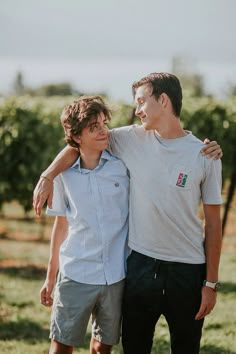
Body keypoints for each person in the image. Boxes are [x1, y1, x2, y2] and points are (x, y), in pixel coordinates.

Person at [34, 73, 223, 354]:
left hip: (187, 270)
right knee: (134, 347)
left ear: (163, 100)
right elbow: (79, 143)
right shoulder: (130, 139)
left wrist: (210, 283)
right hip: (139, 267)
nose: (136, 110)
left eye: (141, 101)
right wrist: (49, 175)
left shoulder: (205, 155)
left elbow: (214, 225)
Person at [40, 96, 129, 354]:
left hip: (116, 274)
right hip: (76, 272)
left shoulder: (121, 167)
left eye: (104, 123)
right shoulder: (62, 176)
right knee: (61, 346)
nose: (104, 131)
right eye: (94, 127)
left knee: (102, 347)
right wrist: (50, 276)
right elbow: (61, 224)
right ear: (77, 136)